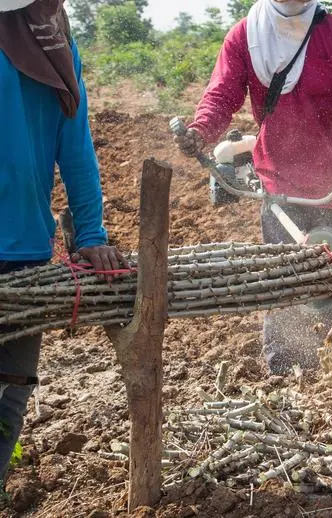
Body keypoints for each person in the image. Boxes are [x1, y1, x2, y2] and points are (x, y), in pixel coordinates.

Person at [175, 0, 332, 375]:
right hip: (277, 183)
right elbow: (222, 94)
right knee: (282, 281)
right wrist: (201, 131)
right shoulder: (246, 35)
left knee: (329, 279)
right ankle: (283, 375)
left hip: (329, 183)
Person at [0, 0, 127, 488]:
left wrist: (91, 233)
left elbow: (75, 147)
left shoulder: (54, 42)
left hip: (25, 253)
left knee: (9, 393)